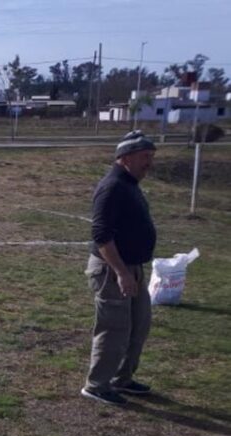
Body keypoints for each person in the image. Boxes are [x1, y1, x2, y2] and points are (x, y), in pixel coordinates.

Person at [82, 130, 157, 406]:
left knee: (138, 326)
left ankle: (121, 378)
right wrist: (122, 273)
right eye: (144, 157)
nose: (149, 162)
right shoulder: (112, 186)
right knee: (114, 329)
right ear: (125, 158)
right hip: (113, 270)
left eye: (151, 156)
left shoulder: (130, 183)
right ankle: (97, 384)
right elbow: (101, 234)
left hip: (132, 267)